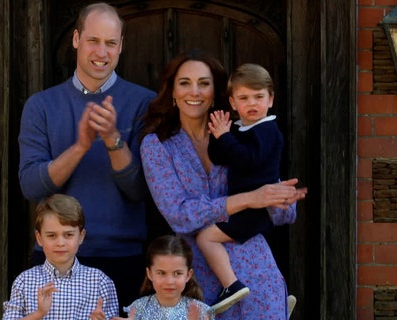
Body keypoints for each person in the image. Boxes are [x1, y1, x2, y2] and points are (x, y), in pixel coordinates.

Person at [139, 49, 307, 319]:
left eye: (204, 83)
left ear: (215, 92)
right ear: (172, 91)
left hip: (256, 270)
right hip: (198, 277)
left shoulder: (240, 134)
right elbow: (179, 215)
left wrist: (281, 199)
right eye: (185, 83)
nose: (194, 91)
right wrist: (249, 199)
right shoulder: (157, 146)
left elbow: (282, 212)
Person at [17, 2, 156, 315]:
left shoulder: (144, 103)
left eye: (110, 43)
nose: (101, 53)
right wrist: (80, 146)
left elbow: (140, 191)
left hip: (122, 259)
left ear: (121, 45)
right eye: (93, 41)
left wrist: (112, 140)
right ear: (76, 39)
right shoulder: (40, 106)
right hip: (54, 260)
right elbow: (31, 187)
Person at [196, 63, 287, 313]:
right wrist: (218, 134)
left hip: (254, 211)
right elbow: (219, 157)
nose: (252, 103)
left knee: (205, 237)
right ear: (233, 103)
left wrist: (226, 137)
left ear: (270, 99)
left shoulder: (268, 130)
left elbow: (248, 160)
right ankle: (274, 301)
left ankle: (232, 285)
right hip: (243, 207)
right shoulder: (241, 128)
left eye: (259, 97)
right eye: (244, 98)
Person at [2, 194, 119, 320]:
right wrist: (39, 313)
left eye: (68, 234)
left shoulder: (100, 282)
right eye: (51, 235)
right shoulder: (24, 282)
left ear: (81, 236)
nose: (60, 243)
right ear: (39, 238)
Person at [114, 235, 214, 320]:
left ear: (188, 275)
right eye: (162, 273)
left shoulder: (201, 311)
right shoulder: (138, 309)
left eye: (177, 273)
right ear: (149, 274)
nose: (169, 281)